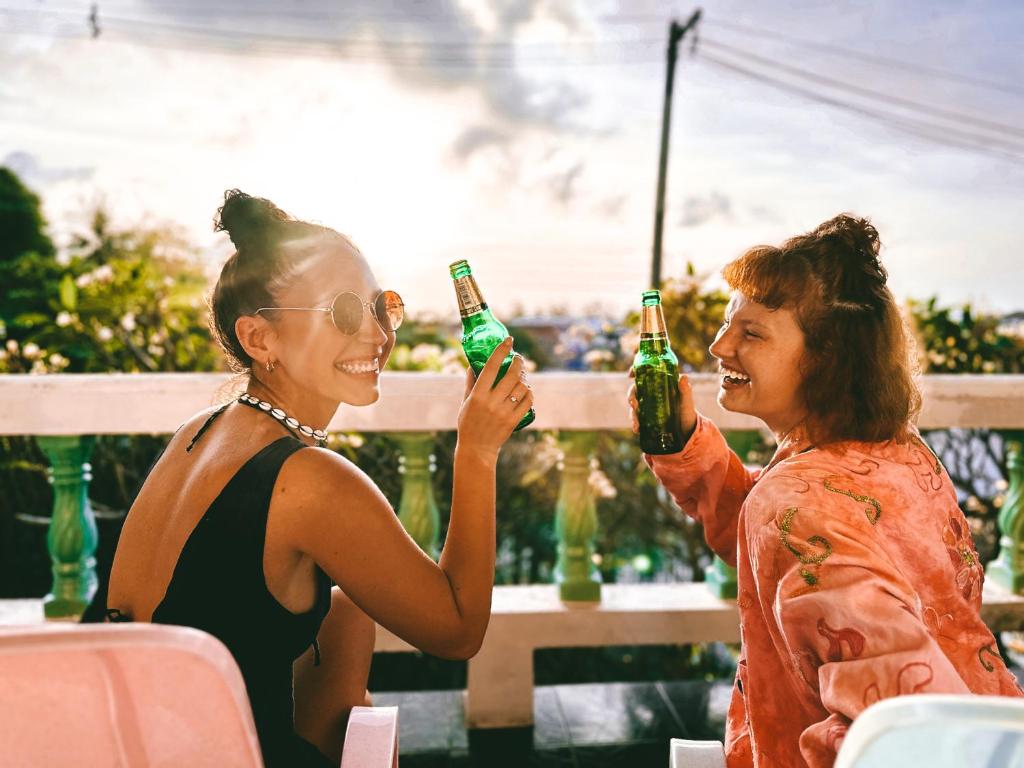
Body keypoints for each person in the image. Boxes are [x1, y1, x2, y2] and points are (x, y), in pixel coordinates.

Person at [101, 190, 534, 767]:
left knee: (347, 614)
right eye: (345, 313)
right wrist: (477, 453)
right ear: (260, 338)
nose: (378, 335)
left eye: (384, 307)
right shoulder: (308, 480)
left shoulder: (200, 431)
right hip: (220, 752)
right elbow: (457, 633)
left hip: (125, 739)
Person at [628, 214, 1022, 767]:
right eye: (726, 324)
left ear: (825, 359)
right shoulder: (899, 455)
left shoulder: (794, 497)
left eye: (752, 333)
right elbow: (782, 549)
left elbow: (898, 726)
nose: (719, 346)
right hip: (995, 735)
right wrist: (686, 447)